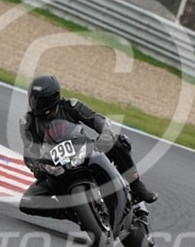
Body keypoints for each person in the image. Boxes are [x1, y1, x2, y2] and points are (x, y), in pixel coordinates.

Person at [18, 74, 158, 220]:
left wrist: (105, 133)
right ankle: (72, 213)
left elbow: (97, 119)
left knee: (117, 141)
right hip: (56, 167)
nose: (36, 104)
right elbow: (29, 150)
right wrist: (38, 166)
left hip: (84, 151)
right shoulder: (27, 122)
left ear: (53, 97)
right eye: (34, 99)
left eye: (41, 100)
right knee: (28, 202)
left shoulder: (70, 105)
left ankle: (136, 186)